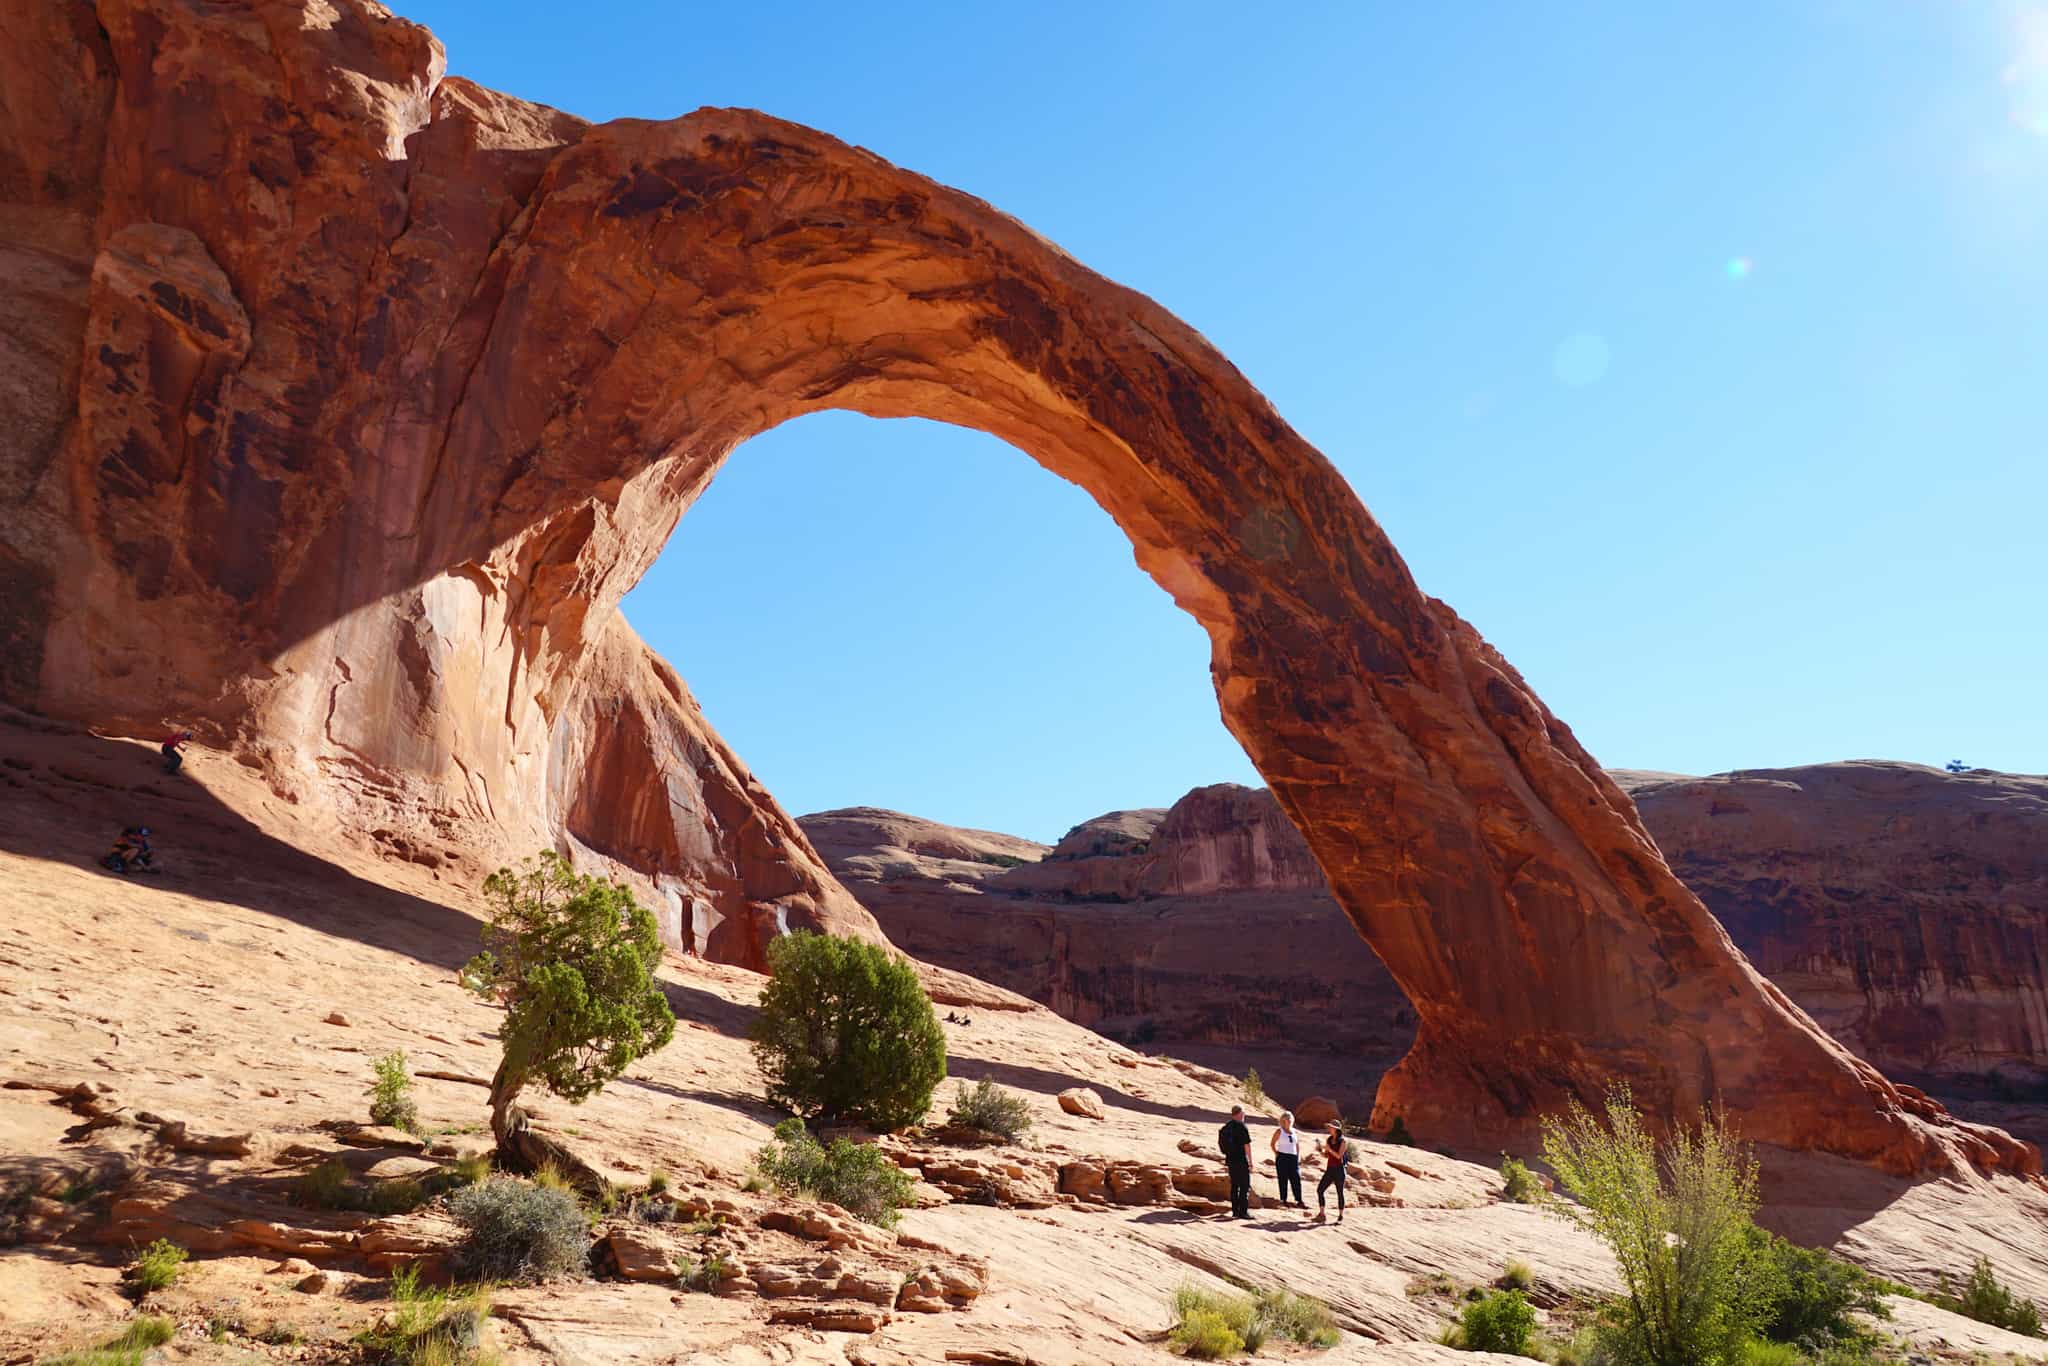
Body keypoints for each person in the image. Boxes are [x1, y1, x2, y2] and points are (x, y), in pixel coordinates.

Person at [1218, 1104, 1253, 1219]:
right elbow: (1247, 1145)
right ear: (1240, 1114)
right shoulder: (1242, 1126)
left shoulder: (1226, 1126)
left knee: (1234, 1185)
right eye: (1243, 1113)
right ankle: (1243, 1212)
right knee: (1244, 1185)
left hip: (1230, 1160)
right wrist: (1250, 1161)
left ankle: (1235, 1211)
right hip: (1241, 1160)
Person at [1313, 1121, 1349, 1223]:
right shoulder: (1329, 1139)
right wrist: (1320, 1150)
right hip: (1330, 1169)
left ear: (1336, 1129)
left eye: (1331, 1127)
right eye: (1329, 1127)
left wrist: (1329, 1149)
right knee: (1320, 1190)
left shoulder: (1343, 1141)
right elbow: (1326, 1155)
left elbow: (1339, 1156)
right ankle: (1322, 1214)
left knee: (1339, 1192)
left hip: (1339, 1170)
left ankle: (1340, 1216)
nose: (1329, 1129)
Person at [1269, 1109, 1305, 1207]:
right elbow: (1272, 1143)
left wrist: (1297, 1156)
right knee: (1283, 1178)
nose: (1288, 1121)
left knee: (1296, 1178)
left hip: (1293, 1157)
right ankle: (1283, 1199)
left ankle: (1299, 1200)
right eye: (1286, 1119)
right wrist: (1276, 1153)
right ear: (1282, 1120)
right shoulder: (1279, 1131)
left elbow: (1297, 1145)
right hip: (1282, 1157)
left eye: (1290, 1119)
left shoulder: (1294, 1131)